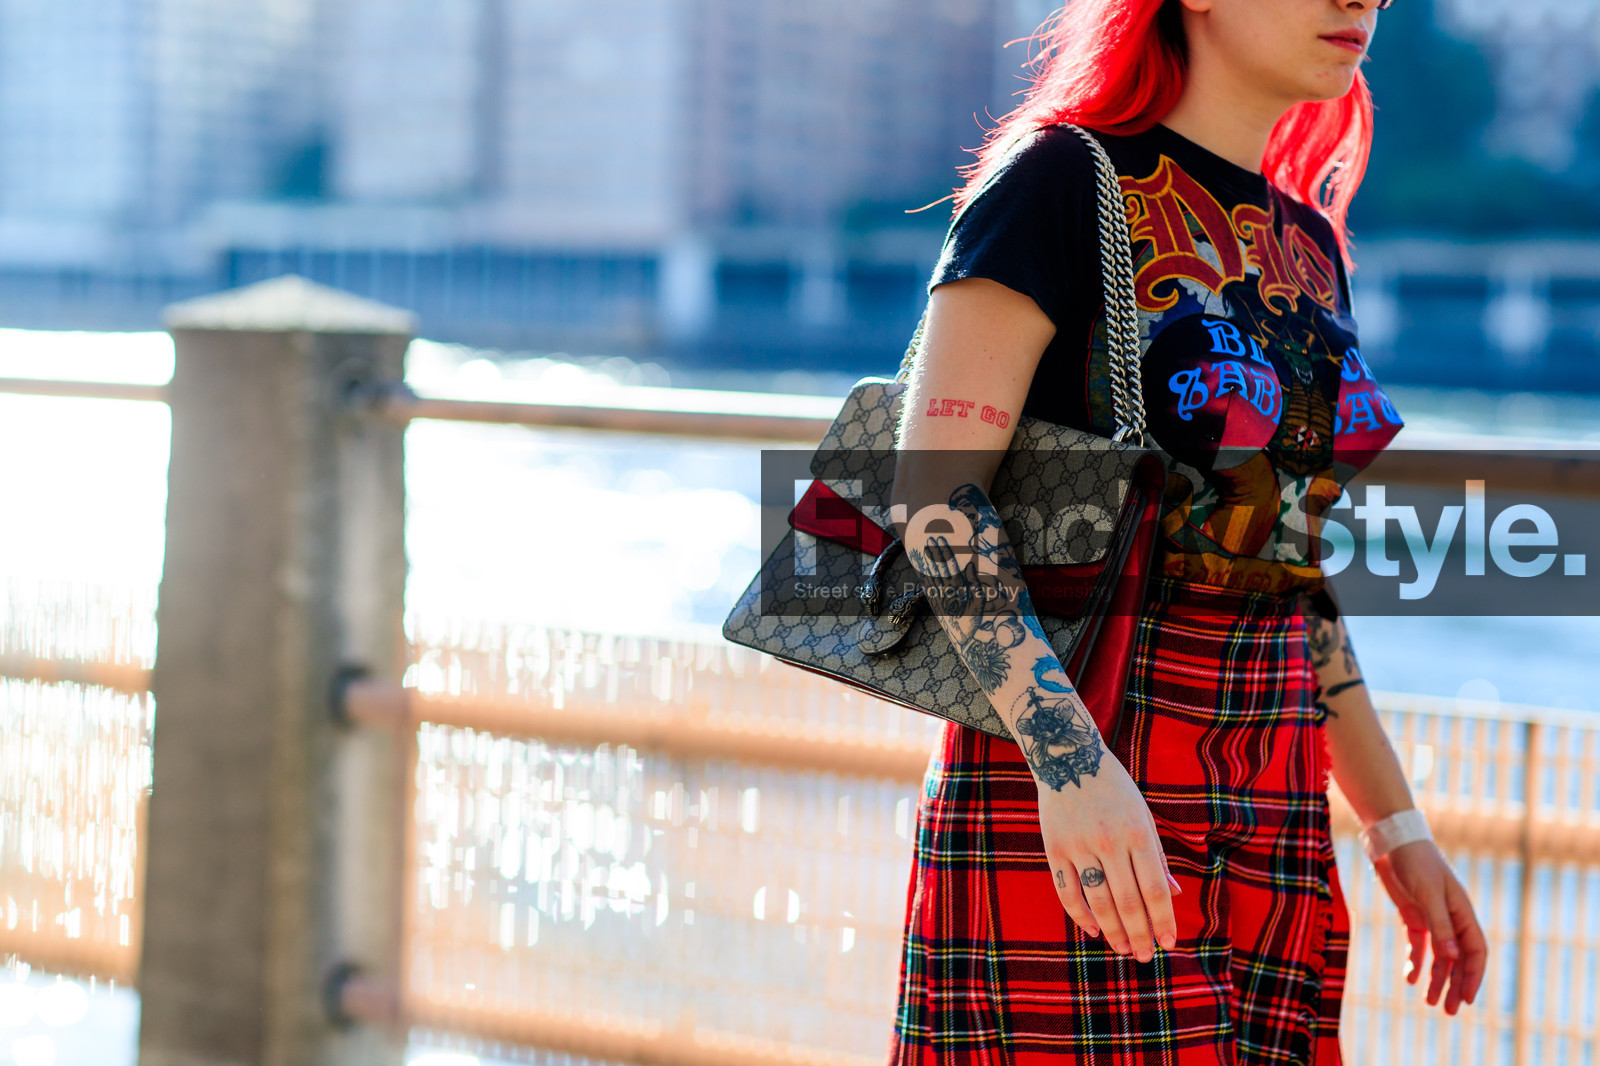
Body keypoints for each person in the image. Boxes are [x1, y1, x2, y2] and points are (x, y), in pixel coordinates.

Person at [885, 0, 1489, 1061]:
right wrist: (1070, 765)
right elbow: (934, 497)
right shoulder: (1057, 183)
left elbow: (1288, 570)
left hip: (1270, 792)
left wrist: (1397, 829)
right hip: (1086, 775)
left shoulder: (1308, 242)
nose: (1363, 0)